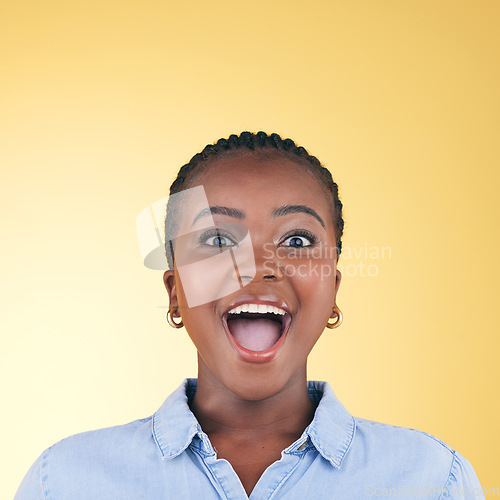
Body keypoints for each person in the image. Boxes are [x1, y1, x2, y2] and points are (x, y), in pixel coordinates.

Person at [16, 132, 483, 499]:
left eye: (297, 241)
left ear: (333, 290)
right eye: (218, 240)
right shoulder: (63, 482)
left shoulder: (433, 480)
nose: (258, 266)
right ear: (175, 290)